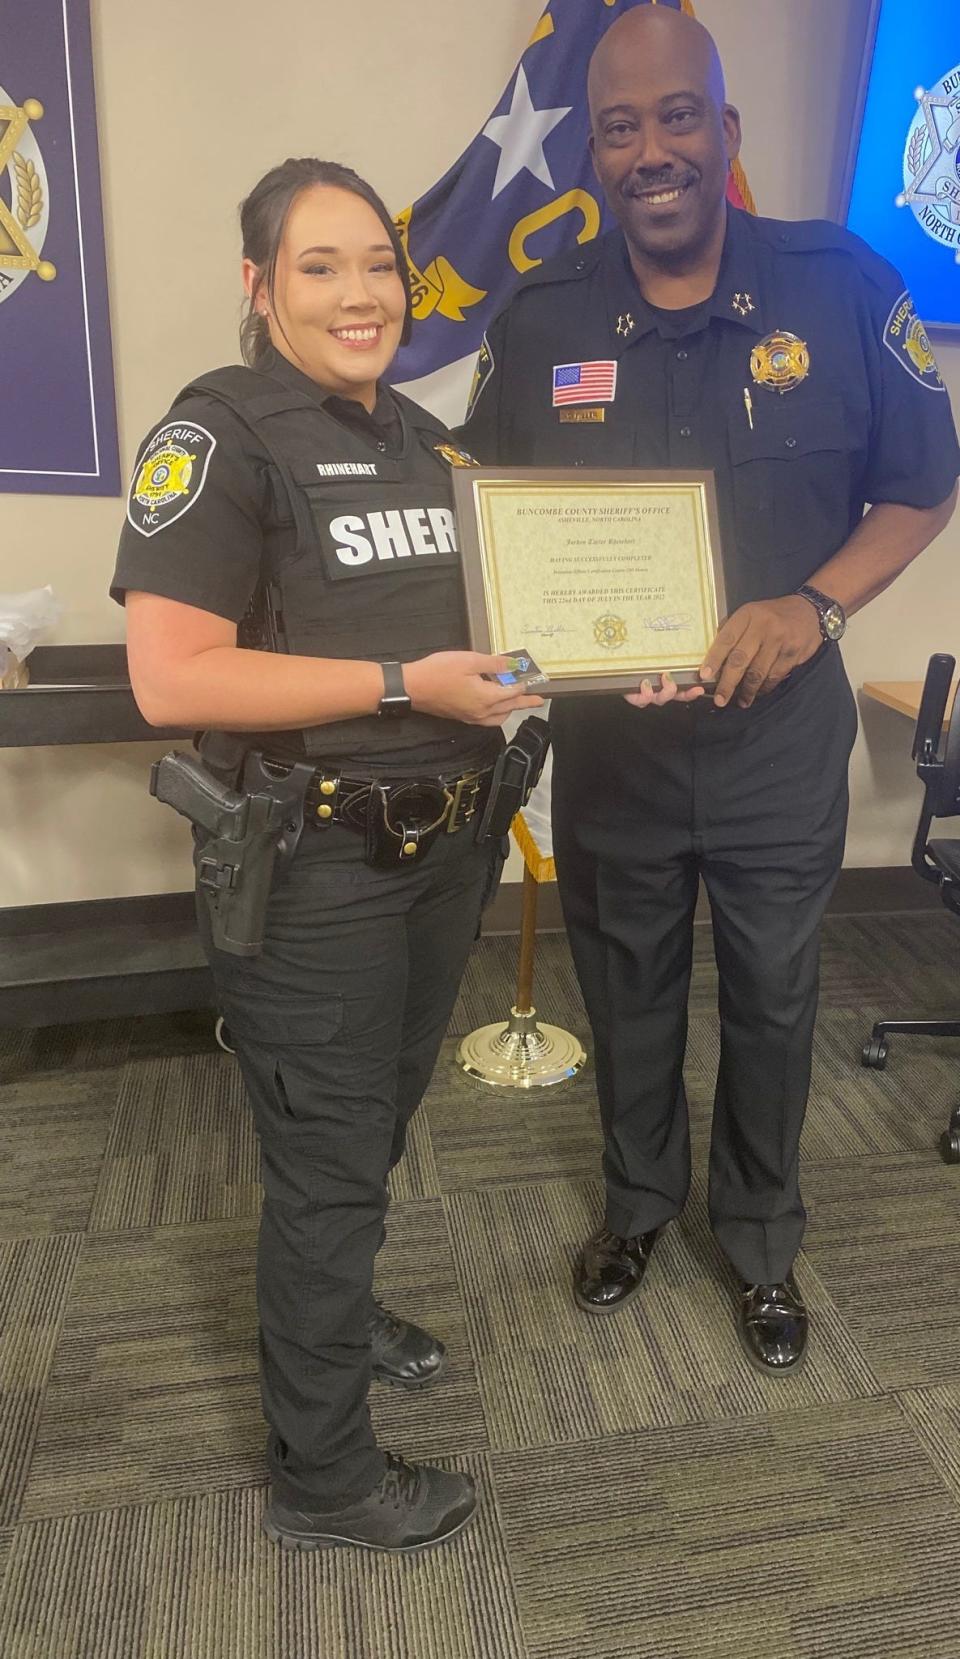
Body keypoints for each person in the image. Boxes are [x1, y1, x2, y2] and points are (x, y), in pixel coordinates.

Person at [461, 6, 960, 1372]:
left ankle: (756, 1240)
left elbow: (922, 484)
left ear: (724, 133)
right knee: (624, 990)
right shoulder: (543, 316)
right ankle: (634, 1207)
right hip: (613, 750)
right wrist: (515, 641)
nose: (650, 148)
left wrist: (814, 607)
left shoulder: (842, 286)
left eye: (676, 116)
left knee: (773, 996)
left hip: (775, 749)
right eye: (618, 126)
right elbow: (487, 512)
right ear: (593, 157)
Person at [111, 157, 543, 1553]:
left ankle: (338, 1305)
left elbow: (500, 636)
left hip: (441, 859)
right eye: (320, 267)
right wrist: (407, 685)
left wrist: (612, 658)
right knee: (325, 1156)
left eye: (379, 265)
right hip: (315, 869)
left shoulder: (430, 443)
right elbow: (173, 679)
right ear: (258, 286)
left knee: (370, 1127)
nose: (362, 295)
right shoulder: (220, 436)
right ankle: (324, 1478)